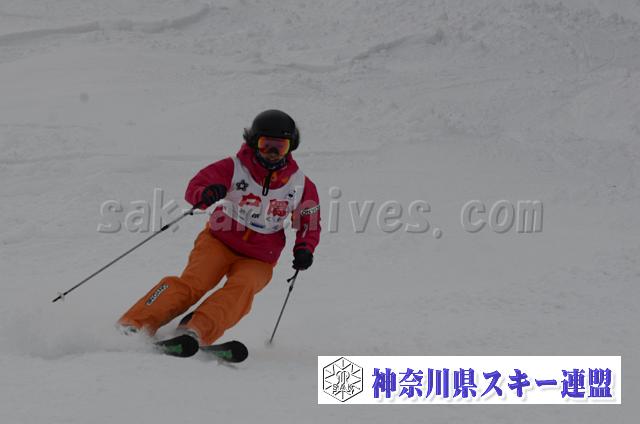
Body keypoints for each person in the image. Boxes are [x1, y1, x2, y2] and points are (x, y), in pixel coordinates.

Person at [117, 110, 321, 350]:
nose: (272, 153)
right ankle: (136, 322)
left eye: (280, 146)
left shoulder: (299, 184)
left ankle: (195, 330)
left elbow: (310, 220)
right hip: (218, 241)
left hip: (260, 257)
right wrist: (205, 193)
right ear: (254, 142)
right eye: (266, 145)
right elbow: (197, 185)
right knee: (195, 283)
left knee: (241, 291)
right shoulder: (234, 167)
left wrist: (305, 249)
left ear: (291, 147)